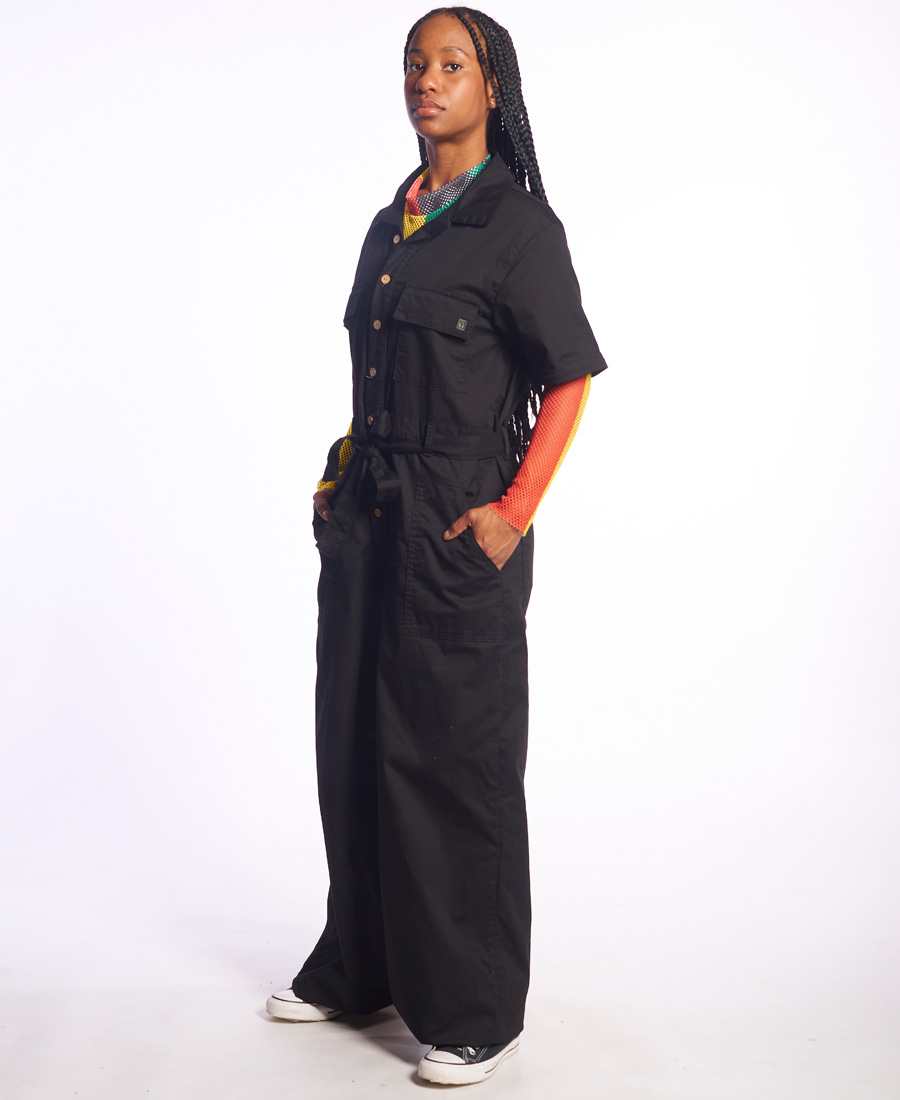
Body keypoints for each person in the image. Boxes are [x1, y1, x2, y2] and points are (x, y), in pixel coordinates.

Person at [265, 7, 607, 1086]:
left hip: (459, 527)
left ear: (492, 85)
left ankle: (475, 1011)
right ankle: (360, 965)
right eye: (416, 63)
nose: (428, 79)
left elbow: (569, 379)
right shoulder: (392, 221)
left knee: (455, 762)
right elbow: (374, 375)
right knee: (352, 744)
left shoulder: (519, 227)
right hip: (368, 519)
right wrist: (340, 471)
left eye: (452, 64)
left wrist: (515, 511)